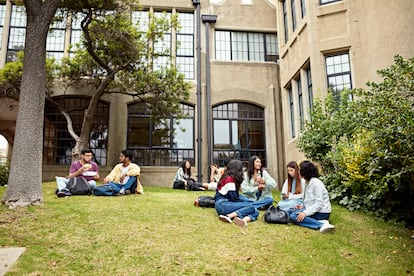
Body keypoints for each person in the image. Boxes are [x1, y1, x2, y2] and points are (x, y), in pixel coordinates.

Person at [289, 160, 335, 233]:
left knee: (294, 216)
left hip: (322, 212)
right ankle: (320, 221)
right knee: (290, 211)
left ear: (304, 172)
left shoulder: (316, 183)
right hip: (312, 209)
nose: (298, 172)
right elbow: (307, 199)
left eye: (299, 170)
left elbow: (319, 204)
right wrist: (301, 206)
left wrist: (305, 213)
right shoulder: (306, 182)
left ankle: (321, 224)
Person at [215, 159, 259, 227]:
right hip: (223, 205)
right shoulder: (229, 179)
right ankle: (228, 216)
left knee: (255, 210)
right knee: (251, 207)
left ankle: (243, 220)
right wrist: (245, 203)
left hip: (224, 204)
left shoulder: (228, 177)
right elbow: (234, 198)